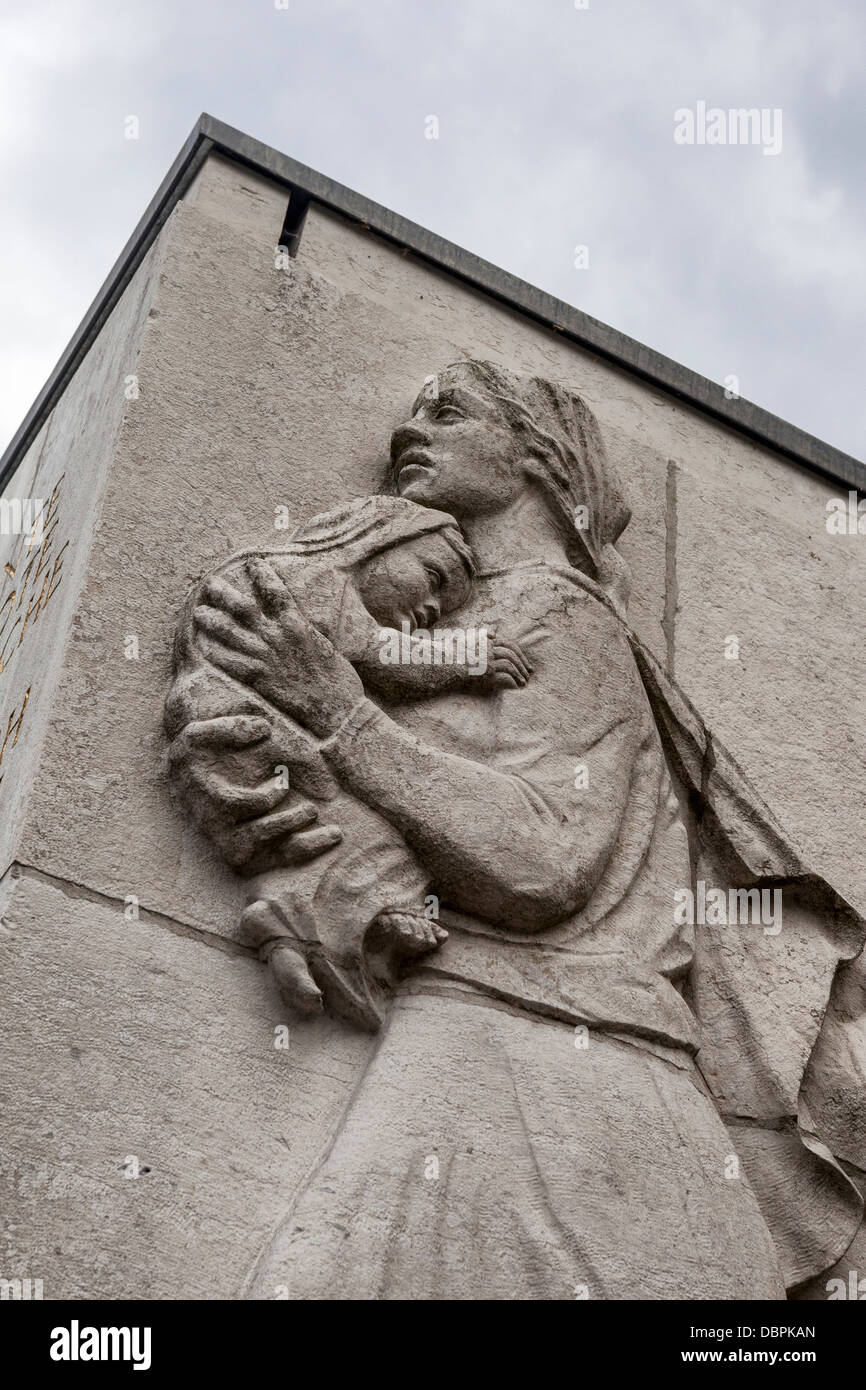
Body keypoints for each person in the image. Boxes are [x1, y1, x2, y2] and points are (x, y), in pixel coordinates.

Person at [168, 360, 865, 1299]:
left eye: (449, 412)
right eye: (412, 410)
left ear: (535, 454)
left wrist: (338, 711)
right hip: (507, 1042)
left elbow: (542, 857)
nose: (411, 431)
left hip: (553, 1061)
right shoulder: (460, 620)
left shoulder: (554, 612)